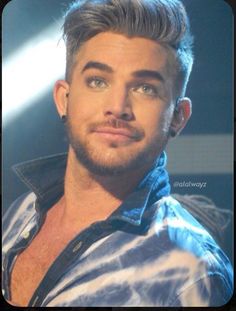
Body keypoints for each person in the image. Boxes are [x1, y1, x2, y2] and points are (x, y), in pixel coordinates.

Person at [2, 0, 233, 307]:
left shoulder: (193, 274)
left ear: (178, 116)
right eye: (98, 81)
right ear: (64, 99)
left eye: (145, 88)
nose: (118, 107)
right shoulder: (20, 213)